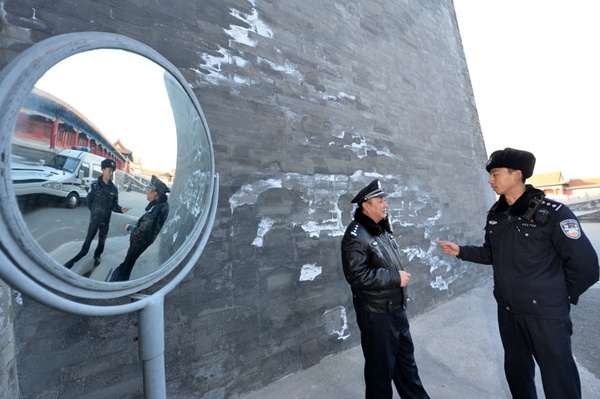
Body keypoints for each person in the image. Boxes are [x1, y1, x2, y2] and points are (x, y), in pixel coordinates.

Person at [436, 147, 599, 399]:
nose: (490, 180)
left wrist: (558, 297)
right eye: (490, 175)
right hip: (509, 312)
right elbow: (492, 254)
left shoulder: (554, 214)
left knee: (559, 378)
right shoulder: (497, 215)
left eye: (495, 174)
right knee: (517, 374)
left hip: (545, 315)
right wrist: (461, 251)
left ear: (517, 175)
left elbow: (587, 266)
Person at [341, 179, 430, 399]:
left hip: (396, 310)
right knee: (380, 374)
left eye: (385, 200)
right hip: (377, 315)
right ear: (366, 205)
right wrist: (394, 277)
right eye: (380, 201)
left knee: (407, 366)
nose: (385, 205)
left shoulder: (380, 229)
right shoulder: (355, 236)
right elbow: (356, 275)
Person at [64, 158, 130, 269]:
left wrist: (120, 209)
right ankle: (82, 253)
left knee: (102, 240)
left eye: (112, 171)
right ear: (103, 170)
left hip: (106, 220)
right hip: (95, 219)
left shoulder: (113, 189)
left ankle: (97, 255)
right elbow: (89, 201)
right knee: (89, 238)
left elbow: (114, 205)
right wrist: (95, 212)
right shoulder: (95, 186)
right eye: (109, 170)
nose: (111, 173)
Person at [109, 175, 170, 282]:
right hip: (145, 241)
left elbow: (141, 231)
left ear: (154, 193)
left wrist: (130, 227)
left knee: (127, 265)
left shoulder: (155, 209)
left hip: (139, 243)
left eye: (148, 190)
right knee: (128, 264)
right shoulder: (163, 205)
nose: (146, 191)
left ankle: (116, 284)